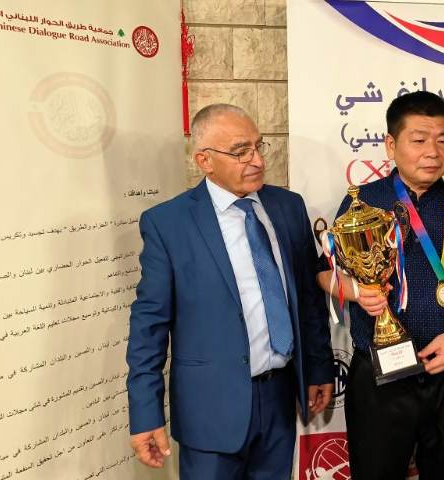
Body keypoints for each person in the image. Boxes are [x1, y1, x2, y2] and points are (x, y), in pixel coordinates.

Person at [126, 104, 334, 479]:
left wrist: (318, 366)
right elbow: (149, 327)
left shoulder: (287, 207)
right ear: (204, 160)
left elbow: (307, 299)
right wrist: (145, 412)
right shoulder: (167, 224)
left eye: (258, 146)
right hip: (209, 409)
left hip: (279, 398)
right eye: (241, 152)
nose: (256, 160)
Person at [316, 91, 444, 480]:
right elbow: (323, 272)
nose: (433, 151)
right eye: (418, 140)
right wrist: (356, 293)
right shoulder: (363, 201)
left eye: (443, 139)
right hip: (380, 375)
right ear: (390, 145)